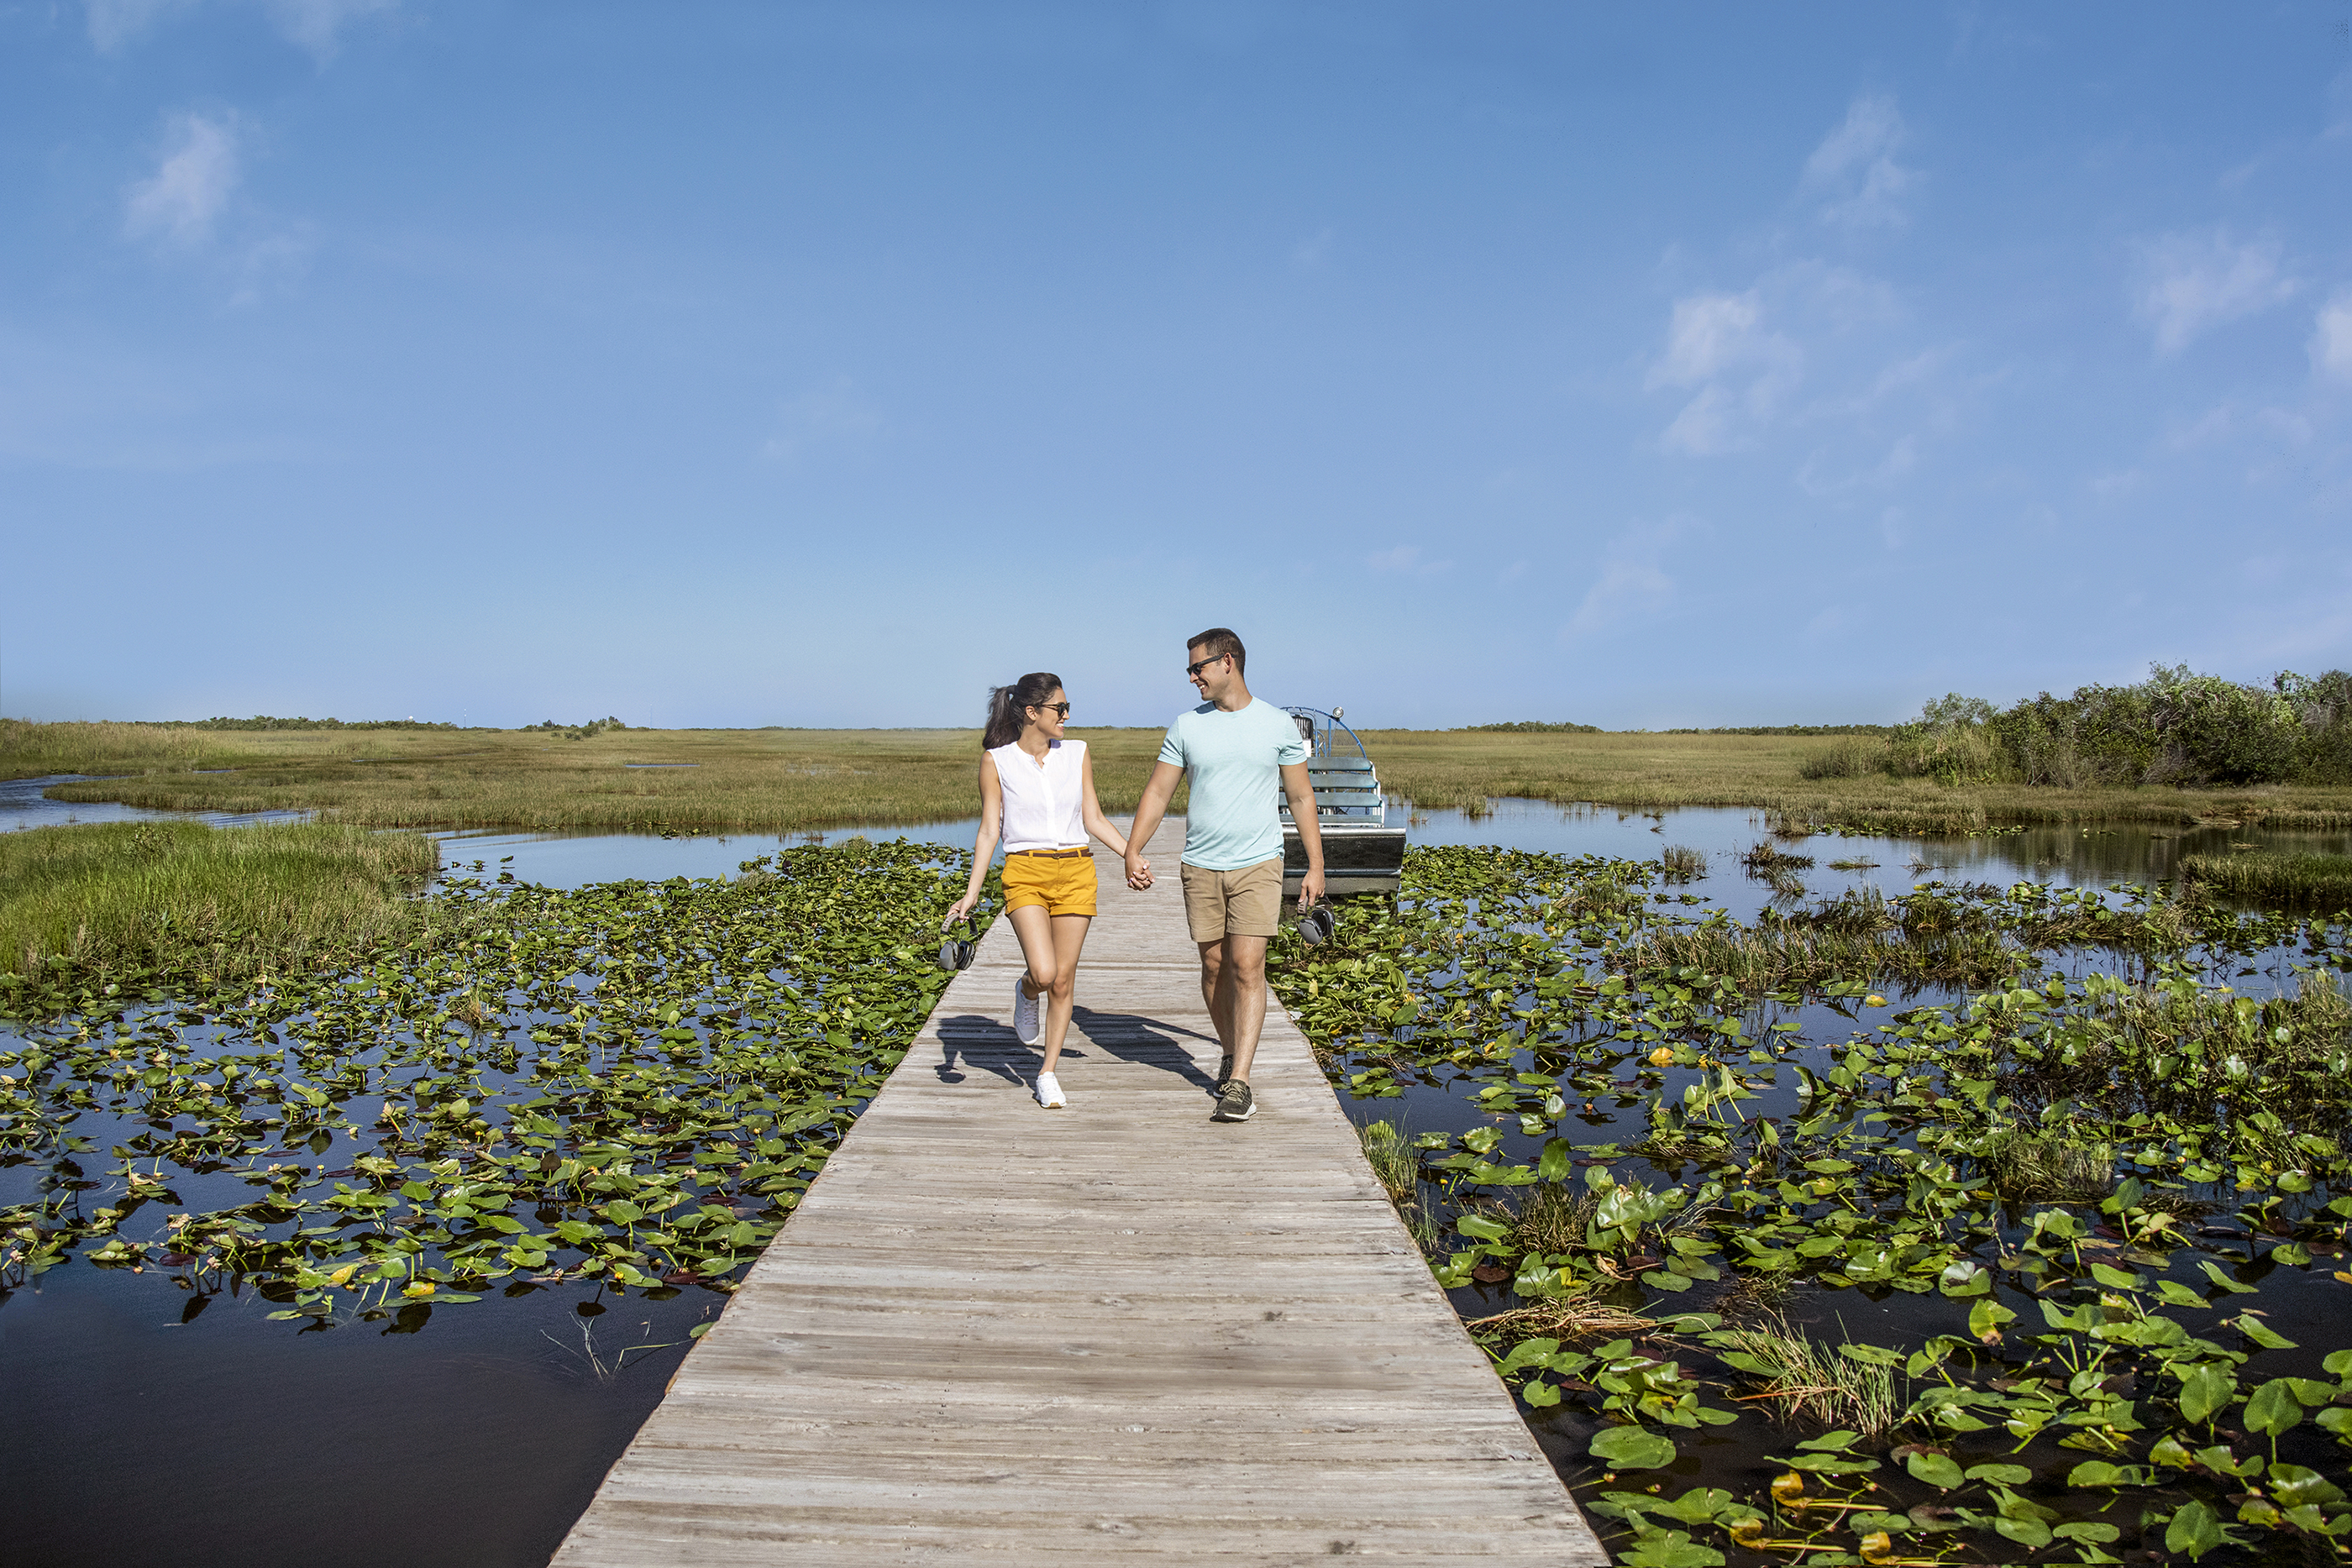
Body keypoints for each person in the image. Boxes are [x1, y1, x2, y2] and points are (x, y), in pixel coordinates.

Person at [1123, 627, 1325, 1122]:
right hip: (1201, 865)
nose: (1193, 678)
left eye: (1198, 668)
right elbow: (1157, 793)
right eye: (1191, 670)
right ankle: (1232, 1050)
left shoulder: (1277, 725)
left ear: (1227, 662)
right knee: (1213, 968)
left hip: (1259, 863)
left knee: (1246, 965)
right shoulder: (1187, 726)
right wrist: (1132, 849)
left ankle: (1240, 1083)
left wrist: (1316, 866)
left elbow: (1300, 798)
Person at [945, 672, 1144, 1109]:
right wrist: (972, 892)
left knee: (1065, 978)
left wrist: (1129, 854)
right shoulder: (997, 760)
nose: (1068, 716)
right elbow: (989, 830)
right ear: (1032, 713)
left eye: (1068, 707)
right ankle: (1026, 990)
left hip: (1076, 870)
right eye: (1060, 708)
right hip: (1026, 873)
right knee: (1044, 972)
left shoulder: (1077, 753)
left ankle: (1048, 1072)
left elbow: (1092, 817)